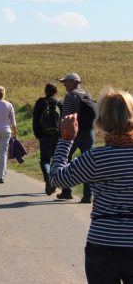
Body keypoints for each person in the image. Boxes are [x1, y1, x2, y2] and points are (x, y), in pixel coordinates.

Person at [50, 89, 133, 283]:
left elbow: (57, 179)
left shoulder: (96, 158)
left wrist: (66, 140)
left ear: (102, 120)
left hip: (103, 243)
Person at [57, 73, 96, 203]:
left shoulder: (70, 96)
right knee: (89, 162)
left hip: (75, 132)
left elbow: (66, 116)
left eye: (66, 82)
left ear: (74, 82)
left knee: (65, 158)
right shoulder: (87, 94)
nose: (64, 84)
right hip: (89, 132)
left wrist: (62, 133)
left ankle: (67, 191)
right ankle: (87, 195)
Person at [32, 83, 62, 195]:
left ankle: (48, 179)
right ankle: (54, 181)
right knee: (56, 160)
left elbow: (35, 120)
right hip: (58, 136)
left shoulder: (40, 102)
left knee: (45, 160)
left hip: (44, 136)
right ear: (56, 91)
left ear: (45, 91)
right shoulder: (59, 102)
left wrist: (37, 134)